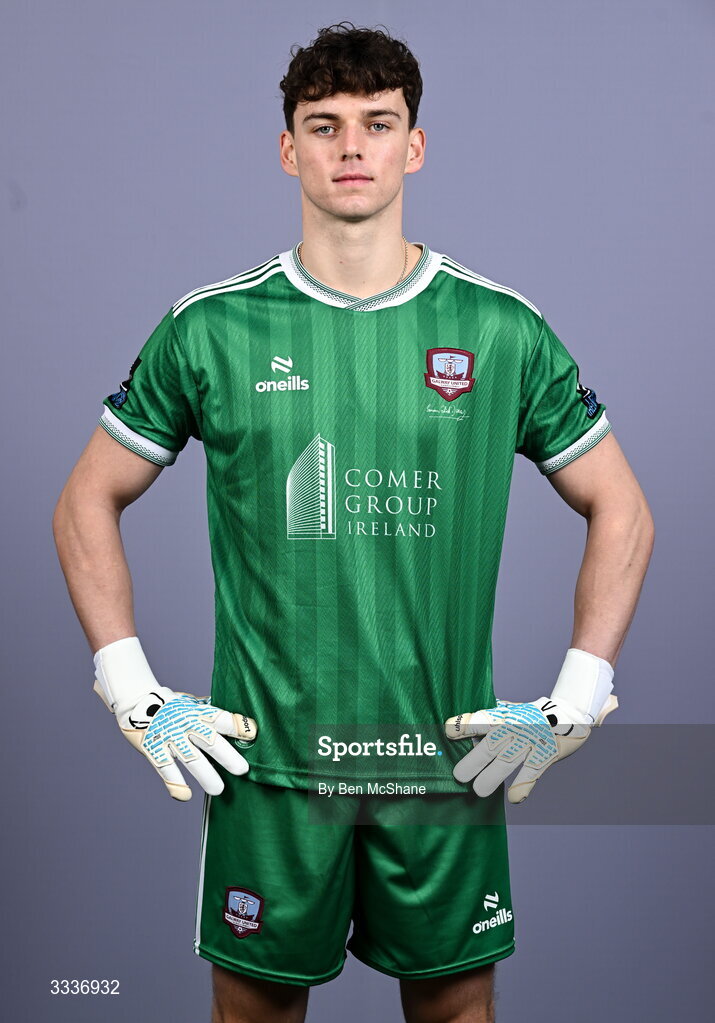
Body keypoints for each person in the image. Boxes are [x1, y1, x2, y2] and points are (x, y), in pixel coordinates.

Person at [53, 22, 654, 1023]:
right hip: (269, 766)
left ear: (413, 144)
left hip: (446, 763)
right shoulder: (211, 327)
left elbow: (620, 506)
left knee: (457, 1010)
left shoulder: (498, 329)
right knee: (252, 1013)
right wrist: (131, 689)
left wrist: (575, 700)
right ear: (288, 149)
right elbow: (86, 496)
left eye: (377, 124)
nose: (351, 148)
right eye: (323, 126)